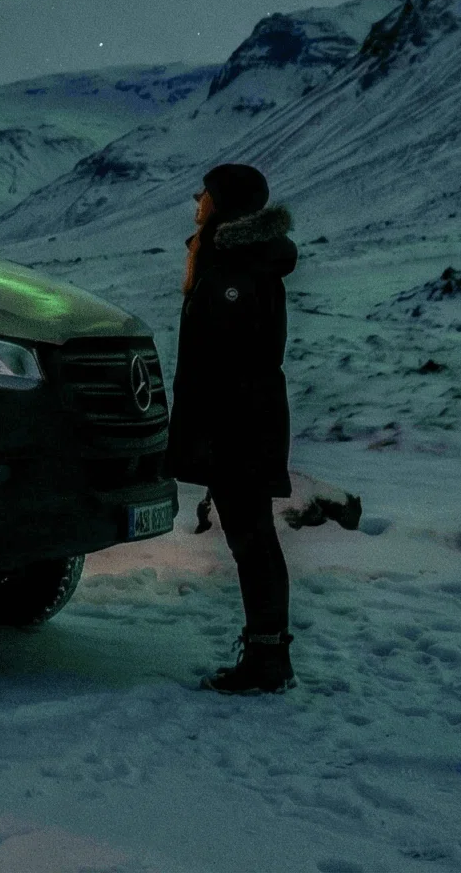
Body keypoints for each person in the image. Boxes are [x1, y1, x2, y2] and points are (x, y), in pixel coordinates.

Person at [168, 162, 299, 694]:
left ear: (226, 203)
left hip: (240, 425)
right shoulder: (236, 263)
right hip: (245, 422)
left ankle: (268, 660)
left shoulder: (235, 272)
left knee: (252, 539)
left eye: (208, 191)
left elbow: (222, 364)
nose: (197, 196)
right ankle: (268, 654)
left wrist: (208, 433)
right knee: (253, 538)